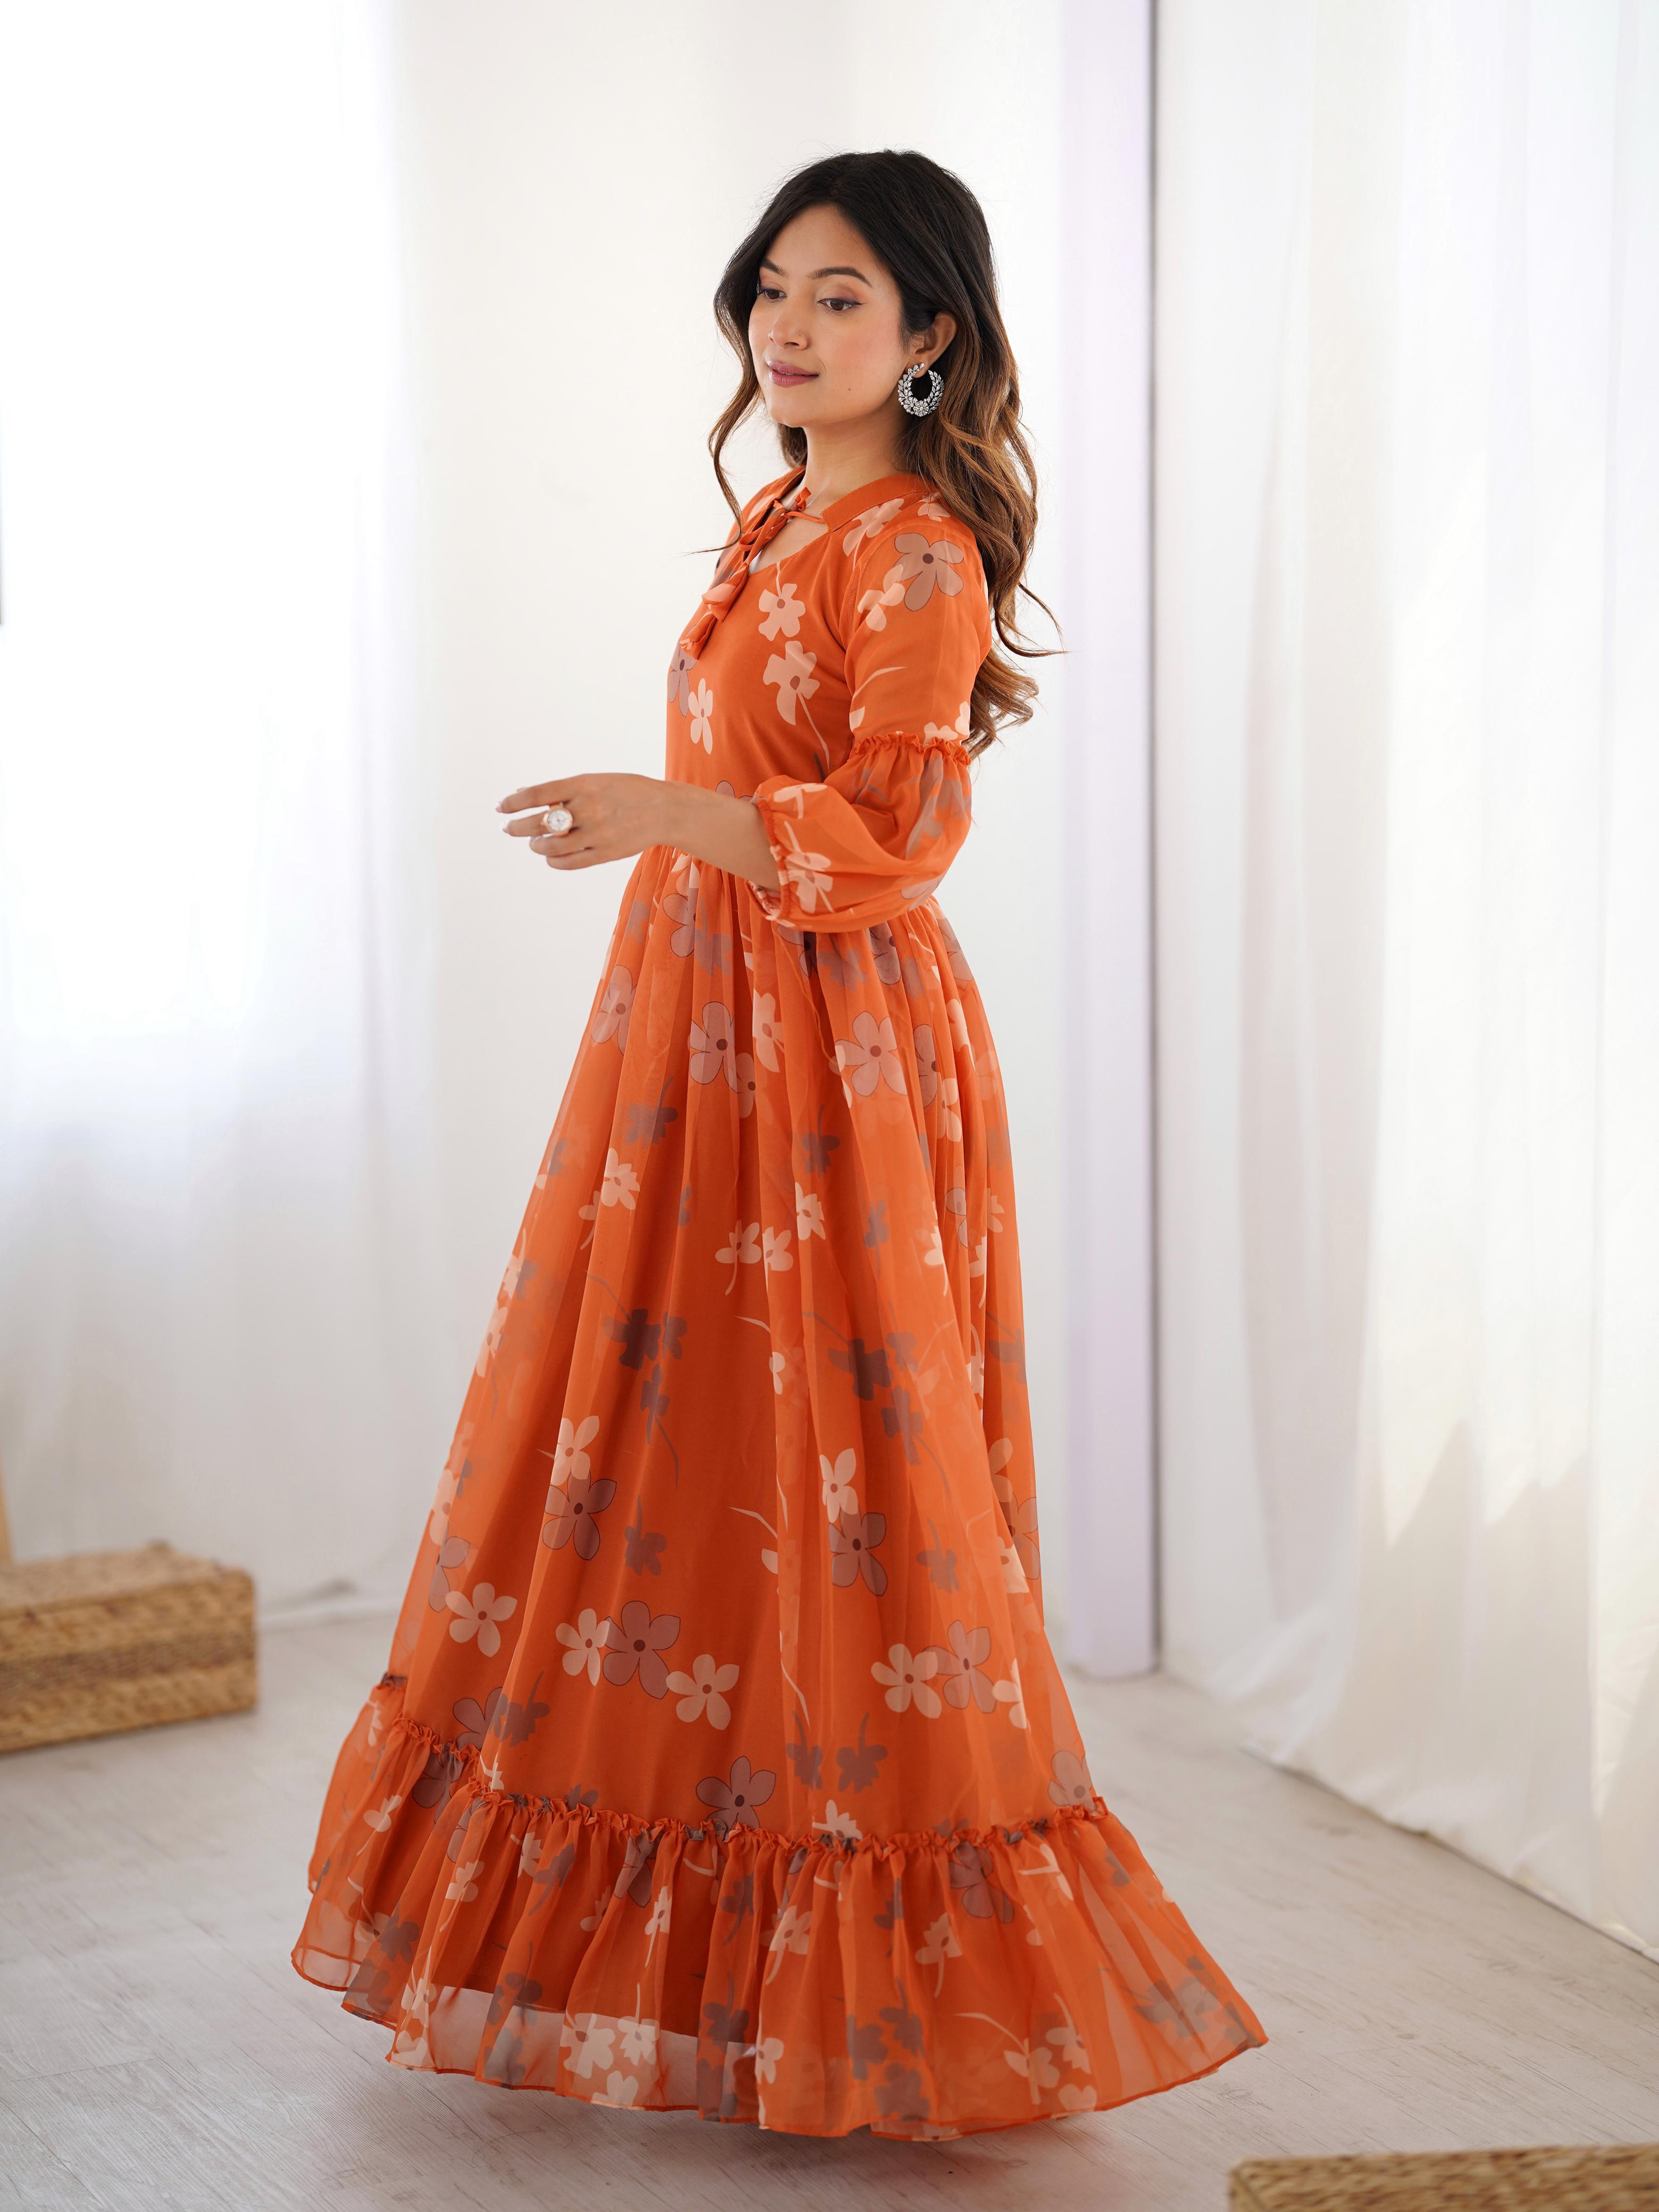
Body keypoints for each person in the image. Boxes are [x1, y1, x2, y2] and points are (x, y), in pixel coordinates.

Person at [291, 148, 1264, 2141]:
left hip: (832, 1049)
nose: (791, 329)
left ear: (930, 340)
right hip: (695, 1031)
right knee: (684, 1447)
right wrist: (666, 839)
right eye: (773, 291)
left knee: (847, 1466)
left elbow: (898, 829)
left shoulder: (917, 552)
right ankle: (703, 1965)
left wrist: (663, 817)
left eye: (840, 298)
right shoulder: (775, 518)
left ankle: (894, 1984)